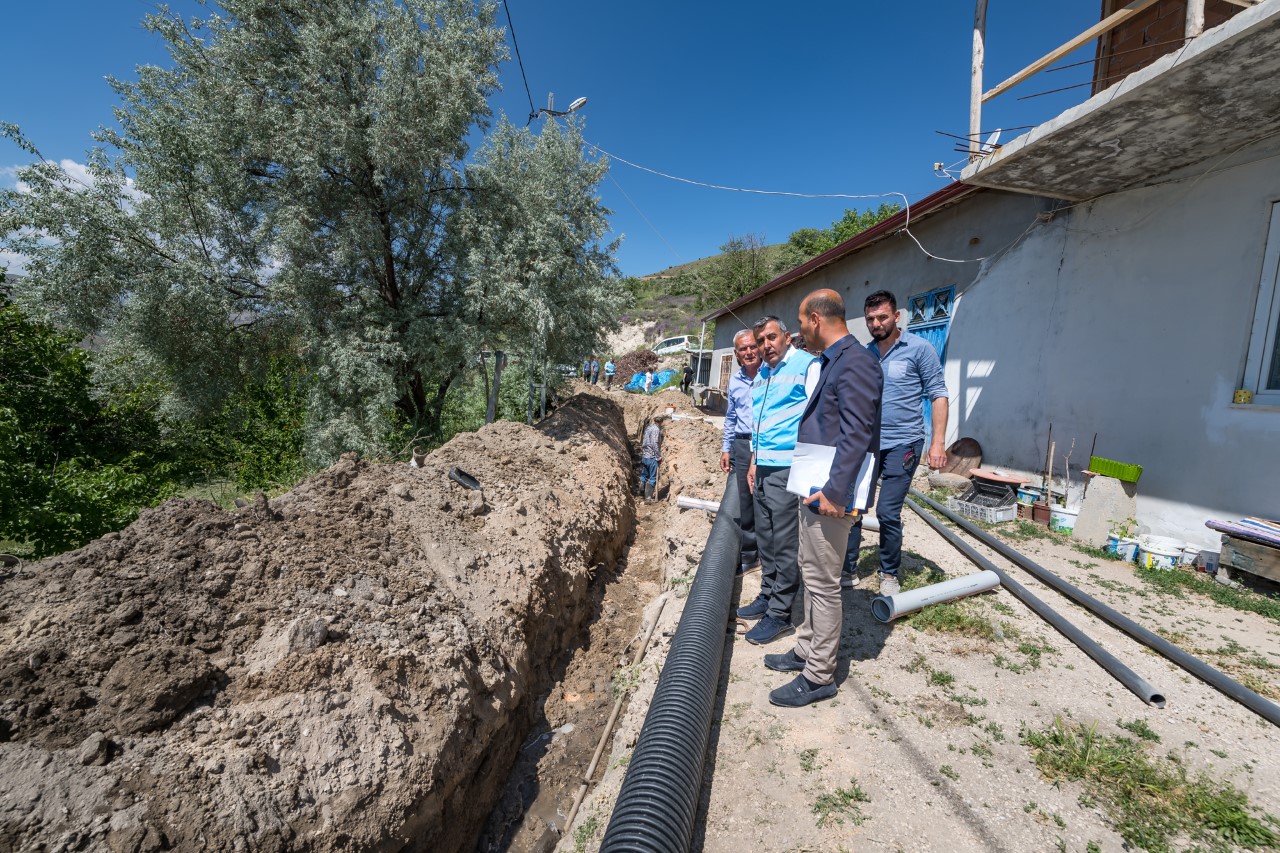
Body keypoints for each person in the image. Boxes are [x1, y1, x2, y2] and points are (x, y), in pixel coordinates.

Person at [764, 290, 882, 708]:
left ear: (815, 319)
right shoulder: (836, 360)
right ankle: (806, 648)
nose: (798, 333)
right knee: (809, 569)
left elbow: (857, 434)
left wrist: (836, 492)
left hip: (830, 492)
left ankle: (819, 675)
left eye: (800, 323)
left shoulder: (856, 363)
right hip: (813, 486)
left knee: (822, 583)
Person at [842, 290, 949, 596]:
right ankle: (848, 568)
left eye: (882, 317)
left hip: (904, 442)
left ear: (896, 316)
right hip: (868, 444)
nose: (876, 324)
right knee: (854, 505)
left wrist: (938, 443)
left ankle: (889, 572)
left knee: (888, 511)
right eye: (870, 319)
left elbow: (938, 394)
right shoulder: (866, 353)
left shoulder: (919, 349)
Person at [739, 315, 819, 646]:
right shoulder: (763, 375)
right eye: (760, 341)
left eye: (771, 337)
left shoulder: (806, 365)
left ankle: (780, 613)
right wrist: (754, 461)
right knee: (766, 539)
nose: (765, 345)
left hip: (788, 467)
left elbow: (820, 417)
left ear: (787, 336)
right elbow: (759, 424)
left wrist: (813, 471)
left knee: (785, 544)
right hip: (764, 468)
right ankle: (767, 594)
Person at [720, 329, 762, 575]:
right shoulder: (735, 381)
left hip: (768, 443)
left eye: (752, 346)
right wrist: (727, 448)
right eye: (743, 349)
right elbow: (730, 418)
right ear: (736, 355)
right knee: (745, 500)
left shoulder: (771, 375)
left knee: (767, 500)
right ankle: (750, 555)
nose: (749, 352)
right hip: (743, 444)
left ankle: (771, 552)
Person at [639, 414, 666, 501]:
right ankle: (648, 497)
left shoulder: (649, 428)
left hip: (645, 455)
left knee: (644, 474)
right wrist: (658, 457)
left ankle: (641, 489)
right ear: (661, 422)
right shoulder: (656, 430)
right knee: (653, 477)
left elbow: (644, 441)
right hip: (652, 457)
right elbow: (655, 443)